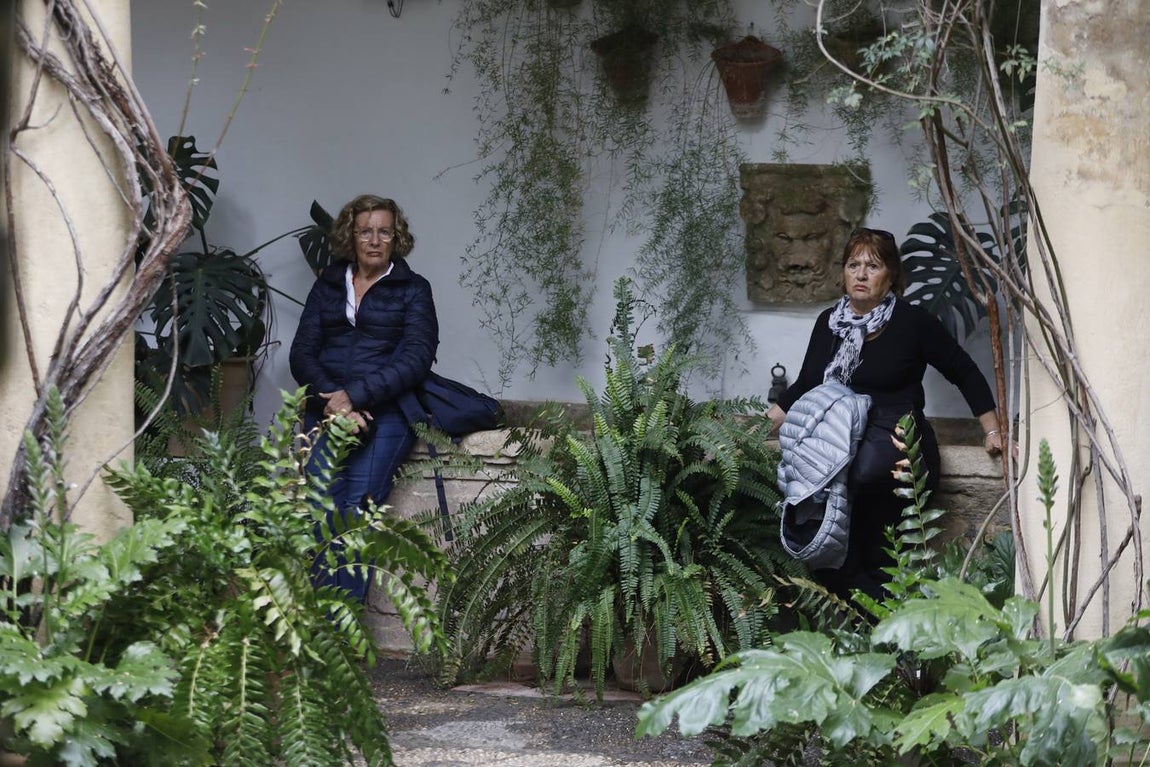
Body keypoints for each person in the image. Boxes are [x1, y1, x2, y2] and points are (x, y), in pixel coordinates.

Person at [767, 227, 1006, 602]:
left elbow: (964, 371)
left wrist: (992, 431)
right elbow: (807, 384)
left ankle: (880, 611)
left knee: (866, 476)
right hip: (842, 435)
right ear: (843, 272)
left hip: (896, 433)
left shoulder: (913, 322)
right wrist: (762, 424)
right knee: (828, 483)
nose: (861, 274)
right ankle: (852, 609)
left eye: (873, 266)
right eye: (853, 265)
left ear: (891, 276)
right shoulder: (829, 323)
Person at [289, 194, 438, 602]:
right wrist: (336, 402)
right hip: (328, 410)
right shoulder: (328, 284)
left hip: (388, 413)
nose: (374, 240)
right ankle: (321, 619)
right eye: (365, 231)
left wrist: (354, 396)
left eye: (384, 231)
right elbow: (302, 352)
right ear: (351, 236)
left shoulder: (413, 289)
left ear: (396, 237)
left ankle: (343, 624)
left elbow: (416, 358)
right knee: (318, 503)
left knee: (356, 509)